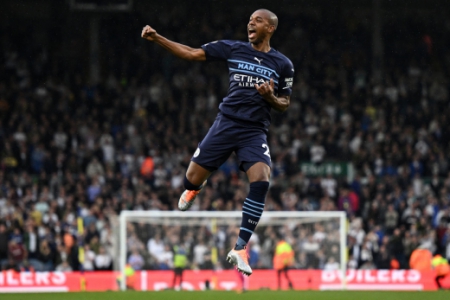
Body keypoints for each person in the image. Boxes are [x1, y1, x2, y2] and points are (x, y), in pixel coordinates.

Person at [141, 8, 294, 276]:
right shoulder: (233, 48)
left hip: (254, 131)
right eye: (249, 20)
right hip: (226, 123)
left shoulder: (283, 64)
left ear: (270, 28)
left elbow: (284, 103)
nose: (250, 22)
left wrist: (270, 97)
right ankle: (194, 188)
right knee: (190, 178)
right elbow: (190, 53)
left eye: (257, 20)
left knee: (262, 179)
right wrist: (157, 38)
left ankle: (240, 248)